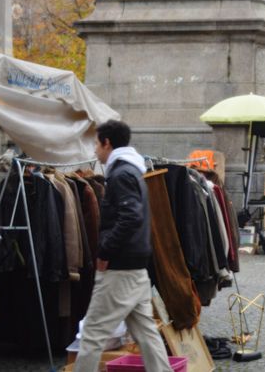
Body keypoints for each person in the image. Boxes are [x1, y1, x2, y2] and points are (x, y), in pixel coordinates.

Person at [74, 120, 170, 372]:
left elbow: (130, 216)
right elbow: (134, 217)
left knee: (93, 333)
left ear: (107, 143)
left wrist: (105, 251)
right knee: (145, 332)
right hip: (135, 264)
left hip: (120, 267)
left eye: (96, 143)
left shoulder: (121, 174)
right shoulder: (131, 171)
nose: (95, 150)